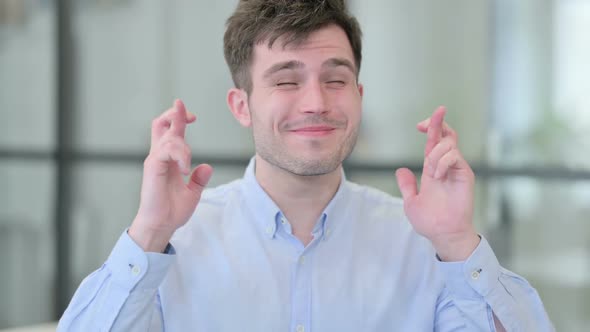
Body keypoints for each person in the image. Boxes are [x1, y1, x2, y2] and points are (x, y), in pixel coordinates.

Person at [58, 0, 554, 331]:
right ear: (241, 105)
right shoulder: (174, 244)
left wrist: (457, 244)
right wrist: (148, 232)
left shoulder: (425, 243)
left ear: (358, 97)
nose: (316, 102)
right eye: (287, 81)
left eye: (335, 80)